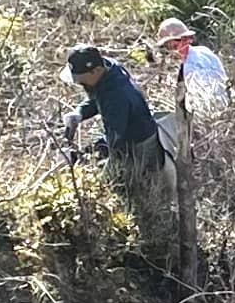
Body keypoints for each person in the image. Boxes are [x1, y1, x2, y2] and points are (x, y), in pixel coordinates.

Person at [61, 44, 171, 193]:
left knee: (131, 185)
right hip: (124, 130)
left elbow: (115, 142)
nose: (79, 84)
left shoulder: (116, 97)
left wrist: (101, 180)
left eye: (81, 80)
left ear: (96, 71)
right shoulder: (109, 68)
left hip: (138, 144)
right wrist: (80, 112)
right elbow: (98, 96)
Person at [155, 19, 230, 118]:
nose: (168, 50)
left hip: (209, 118)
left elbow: (200, 107)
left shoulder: (191, 68)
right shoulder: (203, 51)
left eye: (170, 45)